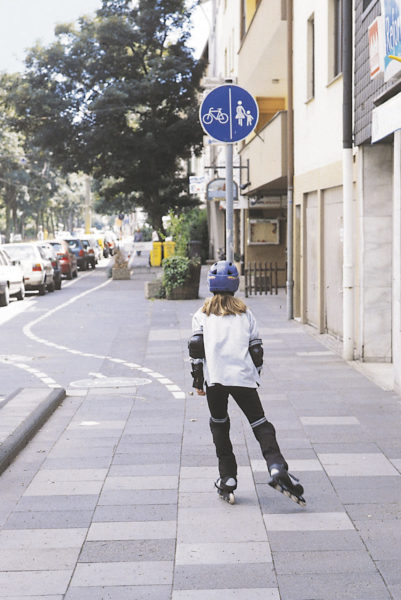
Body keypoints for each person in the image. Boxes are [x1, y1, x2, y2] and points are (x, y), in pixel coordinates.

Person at [188, 260, 305, 506]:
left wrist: (198, 381)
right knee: (261, 424)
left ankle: (228, 478)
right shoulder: (245, 313)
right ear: (235, 285)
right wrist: (255, 374)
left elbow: (196, 348)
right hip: (243, 378)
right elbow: (256, 351)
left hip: (215, 380)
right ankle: (276, 467)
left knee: (220, 427)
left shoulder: (202, 315)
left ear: (211, 285)